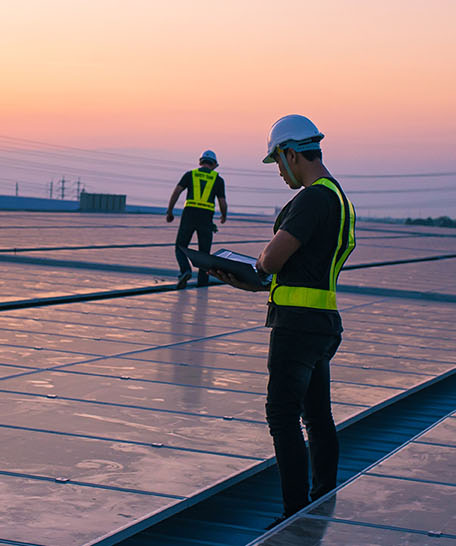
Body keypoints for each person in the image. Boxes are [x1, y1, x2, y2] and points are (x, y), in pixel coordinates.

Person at [209, 114, 356, 521]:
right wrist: (251, 284)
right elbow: (305, 269)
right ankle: (323, 494)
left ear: (292, 154)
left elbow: (273, 258)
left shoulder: (312, 198)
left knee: (282, 415)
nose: (278, 170)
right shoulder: (339, 198)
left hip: (297, 326)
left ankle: (295, 510)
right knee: (317, 415)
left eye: (277, 161)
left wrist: (256, 264)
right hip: (322, 321)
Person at [166, 149, 228, 288]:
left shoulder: (190, 175)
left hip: (189, 215)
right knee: (204, 253)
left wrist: (170, 211)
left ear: (200, 162)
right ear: (214, 164)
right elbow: (222, 202)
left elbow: (176, 192)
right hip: (206, 218)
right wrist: (223, 215)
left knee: (180, 247)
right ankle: (202, 283)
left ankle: (185, 270)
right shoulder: (217, 179)